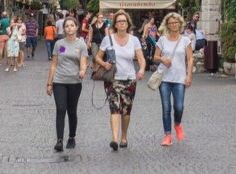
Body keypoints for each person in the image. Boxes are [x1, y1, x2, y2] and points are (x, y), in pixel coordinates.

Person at [93, 9, 145, 151]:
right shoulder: (107, 39)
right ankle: (114, 138)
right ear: (115, 24)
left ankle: (124, 136)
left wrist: (140, 70)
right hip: (113, 79)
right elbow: (97, 57)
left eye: (124, 21)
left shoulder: (134, 40)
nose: (122, 23)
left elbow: (141, 59)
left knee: (126, 111)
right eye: (119, 21)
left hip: (129, 79)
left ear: (128, 24)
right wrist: (104, 64)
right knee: (115, 108)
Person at [46, 16, 88, 152]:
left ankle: (71, 137)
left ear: (76, 27)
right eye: (67, 26)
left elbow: (83, 63)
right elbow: (53, 65)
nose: (69, 28)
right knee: (60, 108)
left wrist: (82, 71)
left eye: (72, 25)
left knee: (72, 110)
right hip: (59, 81)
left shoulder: (81, 45)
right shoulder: (59, 44)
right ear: (63, 28)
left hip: (75, 82)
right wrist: (49, 83)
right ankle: (59, 140)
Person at [154, 12, 194, 146]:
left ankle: (177, 124)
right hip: (164, 78)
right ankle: (167, 135)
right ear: (168, 25)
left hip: (179, 78)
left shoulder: (185, 40)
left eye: (176, 22)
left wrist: (189, 76)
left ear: (180, 24)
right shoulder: (162, 40)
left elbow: (190, 59)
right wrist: (162, 59)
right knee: (166, 107)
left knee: (179, 106)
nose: (174, 25)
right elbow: (155, 57)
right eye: (171, 23)